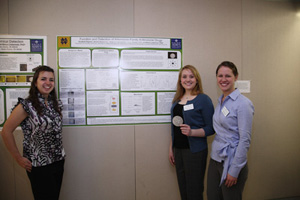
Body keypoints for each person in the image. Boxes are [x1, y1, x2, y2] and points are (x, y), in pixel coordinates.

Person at [1, 65, 65, 200]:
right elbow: (6, 131)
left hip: (58, 160)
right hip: (38, 164)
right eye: (43, 79)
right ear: (35, 82)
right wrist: (18, 157)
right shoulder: (26, 105)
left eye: (51, 80)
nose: (48, 83)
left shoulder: (56, 104)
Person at [207, 61, 254, 200]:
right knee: (212, 196)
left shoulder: (243, 104)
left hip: (232, 161)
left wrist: (234, 171)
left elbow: (245, 140)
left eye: (228, 75)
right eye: (220, 75)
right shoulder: (221, 100)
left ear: (236, 77)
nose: (223, 79)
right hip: (216, 159)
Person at [169, 65, 215, 200]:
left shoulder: (203, 100)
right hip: (178, 150)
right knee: (183, 188)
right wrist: (171, 148)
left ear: (196, 79)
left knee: (194, 190)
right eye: (184, 77)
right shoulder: (177, 100)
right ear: (180, 80)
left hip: (195, 151)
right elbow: (174, 127)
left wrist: (192, 132)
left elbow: (211, 128)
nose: (187, 79)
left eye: (191, 76)